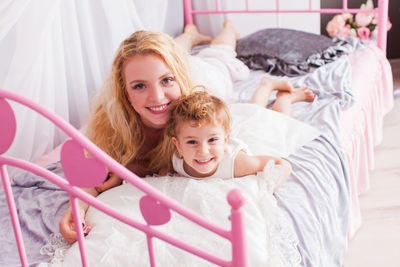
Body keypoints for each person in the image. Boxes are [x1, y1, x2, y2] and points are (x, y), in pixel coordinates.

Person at [59, 21, 311, 243]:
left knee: (220, 56)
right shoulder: (114, 126)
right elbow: (92, 180)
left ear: (179, 77)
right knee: (161, 59)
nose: (157, 98)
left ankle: (228, 29)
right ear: (125, 92)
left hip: (210, 73)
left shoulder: (199, 110)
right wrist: (77, 207)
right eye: (139, 86)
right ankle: (190, 34)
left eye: (167, 80)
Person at [163, 91, 292, 192]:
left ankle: (285, 97)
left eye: (212, 140)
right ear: (178, 145)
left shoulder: (238, 163)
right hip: (226, 132)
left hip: (254, 138)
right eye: (192, 142)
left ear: (225, 141)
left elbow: (281, 163)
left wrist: (270, 189)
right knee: (255, 110)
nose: (203, 151)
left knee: (274, 120)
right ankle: (267, 86)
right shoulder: (176, 161)